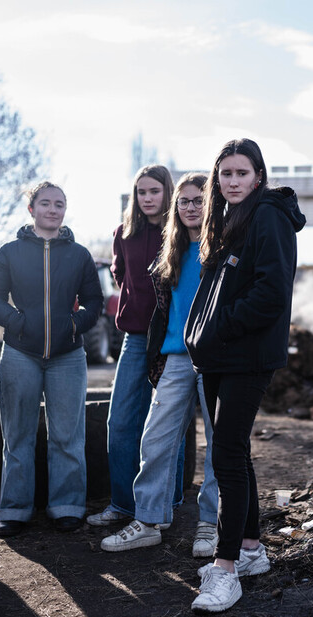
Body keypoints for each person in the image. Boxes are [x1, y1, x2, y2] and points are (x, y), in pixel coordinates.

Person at [185, 139, 305, 612]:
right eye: (226, 174)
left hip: (247, 355)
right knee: (233, 452)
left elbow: (272, 292)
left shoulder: (269, 216)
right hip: (220, 355)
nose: (232, 181)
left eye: (242, 173)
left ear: (259, 176)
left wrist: (221, 327)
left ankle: (226, 568)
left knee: (227, 459)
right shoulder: (228, 219)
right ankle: (251, 549)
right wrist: (209, 335)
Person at [100, 173, 218, 557]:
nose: (190, 207)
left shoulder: (223, 246)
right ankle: (149, 520)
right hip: (175, 355)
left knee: (219, 444)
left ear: (212, 203)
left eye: (198, 200)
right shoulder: (172, 248)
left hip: (216, 355)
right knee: (155, 438)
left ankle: (210, 525)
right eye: (184, 201)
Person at [0, 181, 103, 537]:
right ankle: (15, 509)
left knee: (67, 435)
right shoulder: (10, 252)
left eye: (60, 204)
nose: (53, 209)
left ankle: (67, 506)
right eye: (46, 203)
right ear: (31, 208)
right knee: (17, 434)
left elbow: (94, 302)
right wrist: (17, 323)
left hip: (68, 356)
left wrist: (73, 324)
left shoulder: (79, 254)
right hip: (20, 353)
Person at [87, 165, 186, 527]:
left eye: (154, 192)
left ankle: (168, 503)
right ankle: (123, 505)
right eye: (141, 192)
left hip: (173, 340)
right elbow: (119, 274)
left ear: (167, 193)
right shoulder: (123, 234)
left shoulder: (182, 232)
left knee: (167, 423)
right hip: (134, 338)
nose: (147, 198)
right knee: (121, 422)